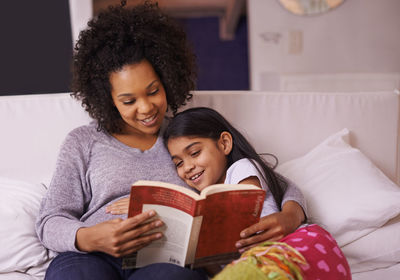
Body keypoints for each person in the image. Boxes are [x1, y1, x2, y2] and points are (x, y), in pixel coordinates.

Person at [35, 2, 204, 280]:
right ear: (109, 100)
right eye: (129, 100)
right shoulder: (84, 141)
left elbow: (264, 181)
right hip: (91, 257)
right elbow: (50, 220)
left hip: (164, 259)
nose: (146, 108)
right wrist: (89, 237)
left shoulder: (189, 135)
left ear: (168, 81)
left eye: (153, 91)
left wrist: (291, 213)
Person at [163, 107, 351, 280]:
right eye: (178, 163)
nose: (187, 167)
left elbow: (245, 209)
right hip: (259, 264)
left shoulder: (242, 169)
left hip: (299, 248)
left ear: (224, 144)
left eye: (195, 152)